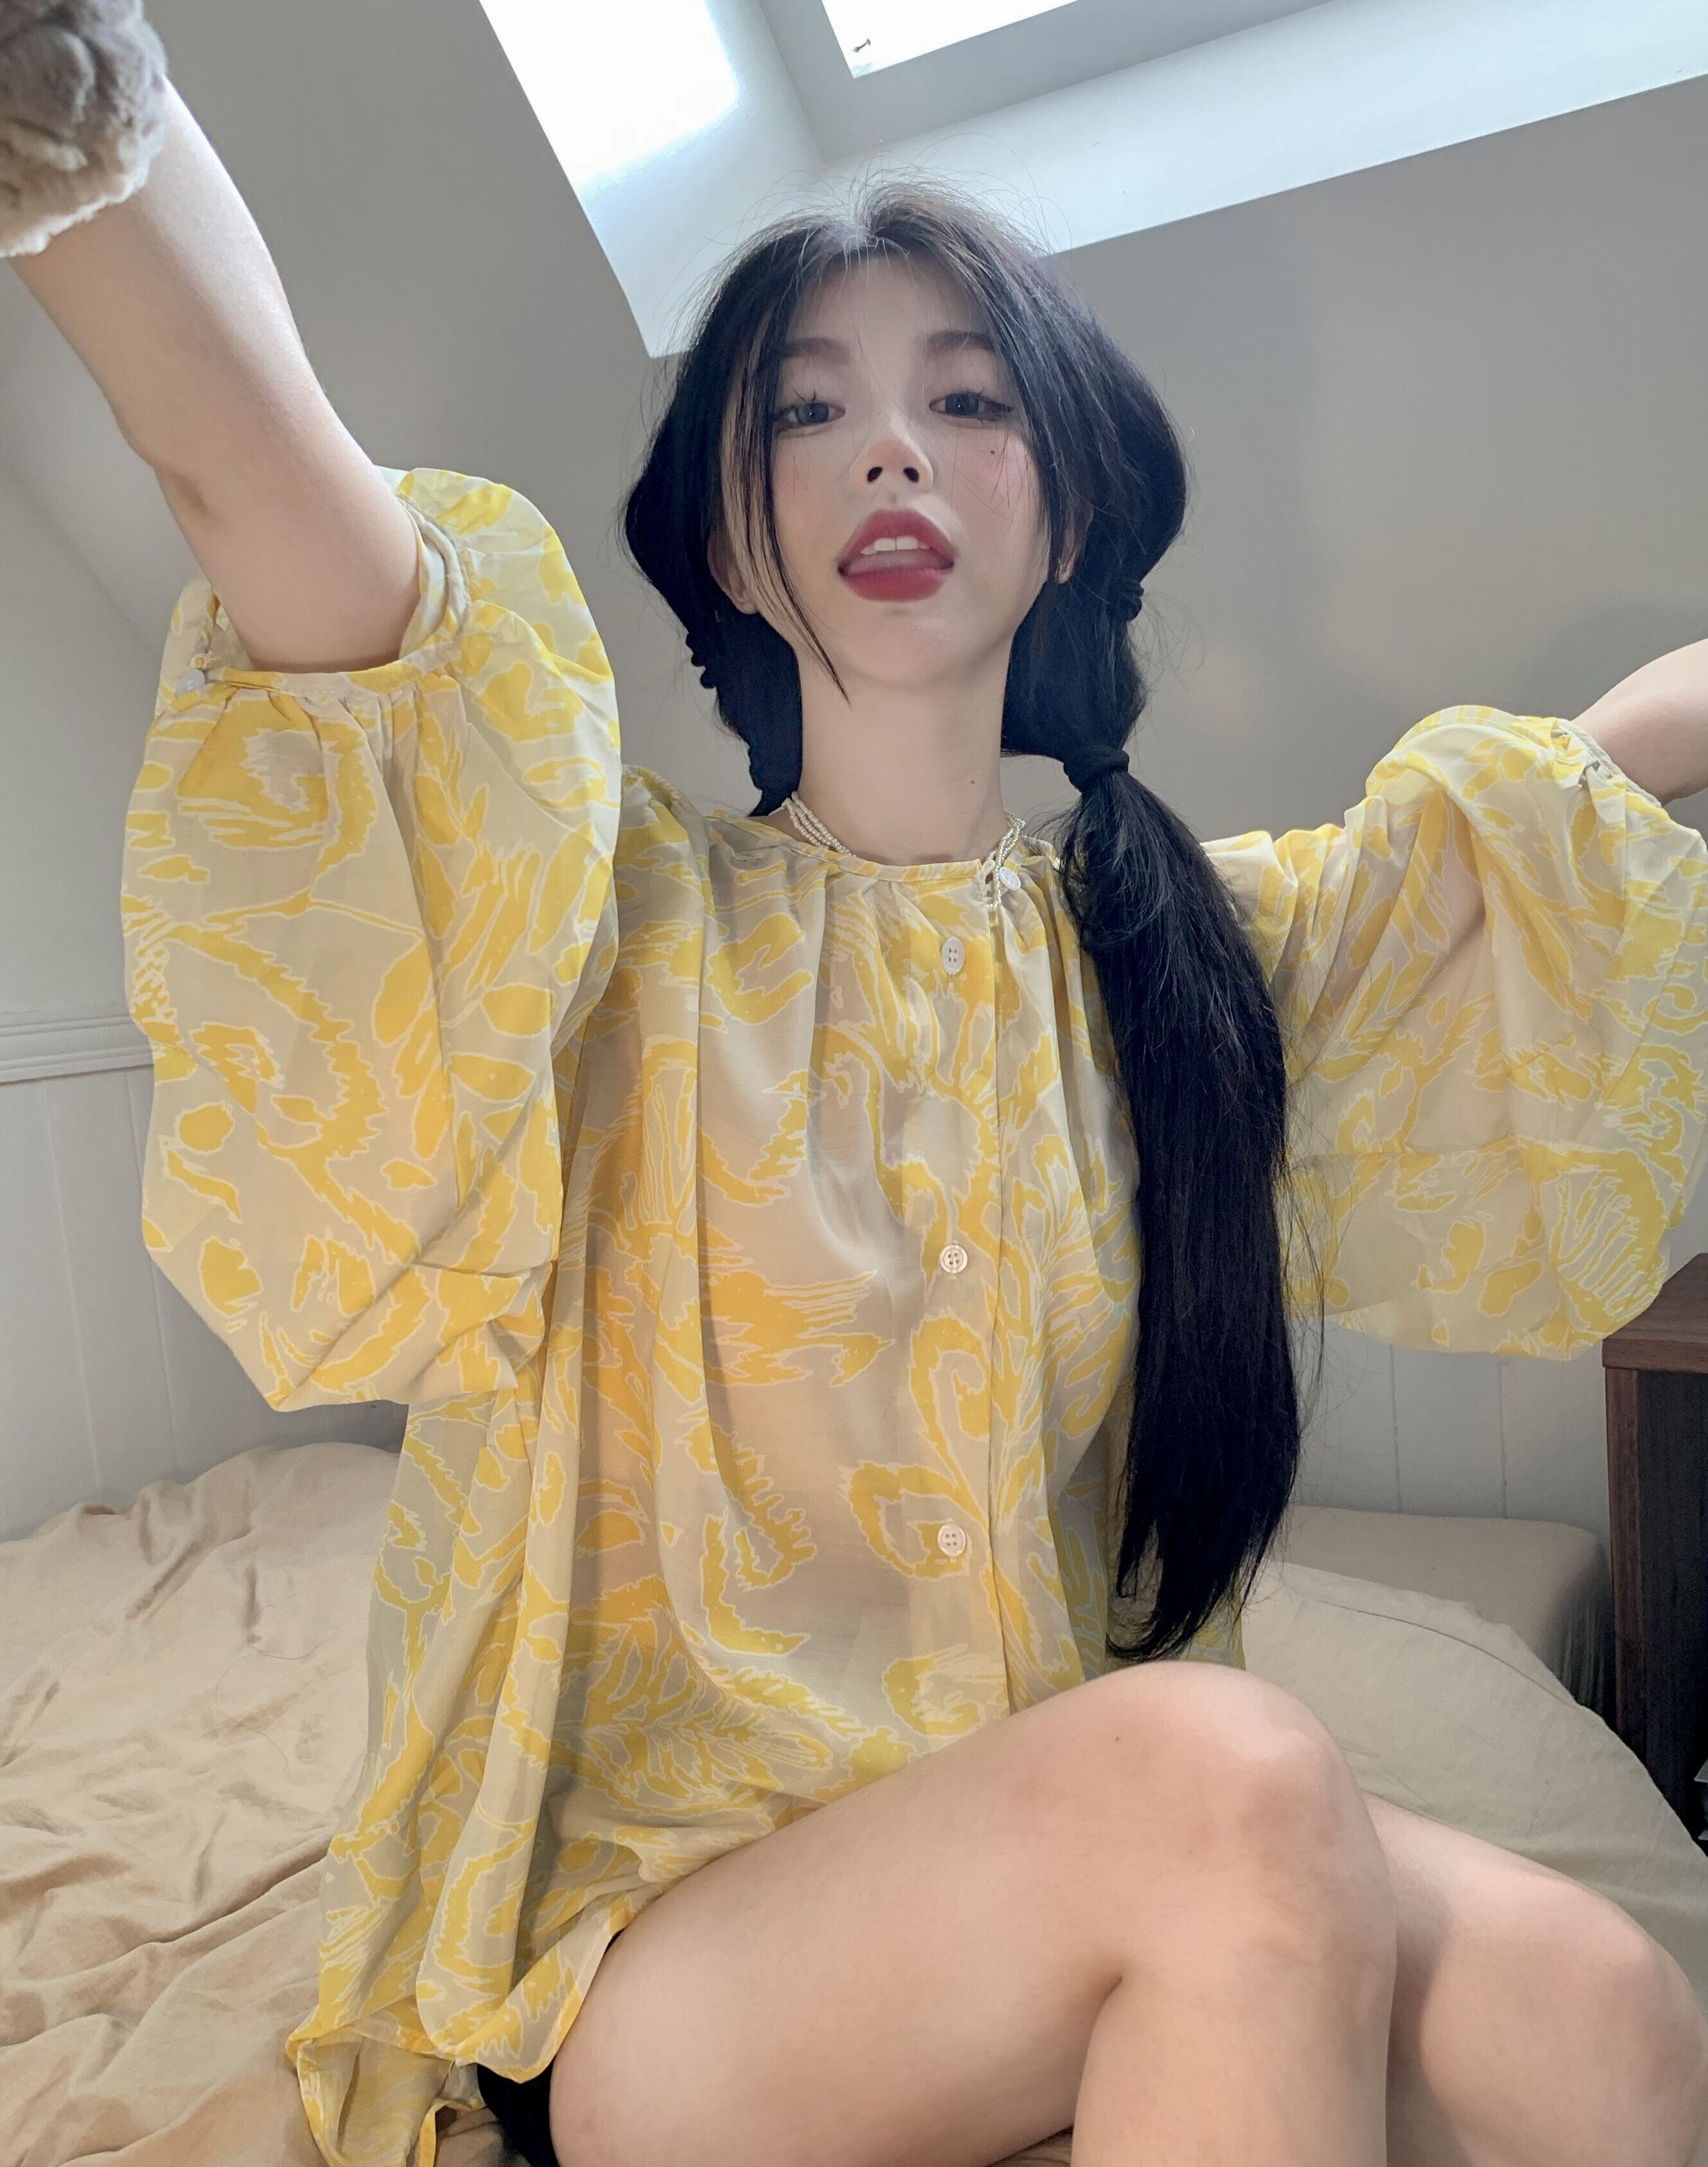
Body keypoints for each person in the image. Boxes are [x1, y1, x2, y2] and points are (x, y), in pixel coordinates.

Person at [13, 33, 1708, 2167]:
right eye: (807, 413)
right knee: (1226, 1773)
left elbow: (1572, 785)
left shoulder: (1182, 957)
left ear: (1062, 510)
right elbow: (258, 479)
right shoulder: (589, 920)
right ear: (735, 540)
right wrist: (85, 106)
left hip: (1052, 1847)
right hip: (655, 1947)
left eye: (966, 403)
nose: (887, 449)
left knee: (1608, 2009)